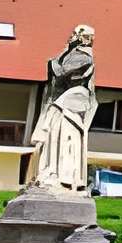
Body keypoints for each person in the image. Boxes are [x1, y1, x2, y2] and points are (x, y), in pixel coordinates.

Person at [27, 24, 97, 192]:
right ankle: (49, 172)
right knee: (53, 136)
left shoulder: (84, 57)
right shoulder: (69, 53)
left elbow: (61, 71)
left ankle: (64, 175)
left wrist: (52, 62)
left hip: (72, 103)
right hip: (61, 103)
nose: (70, 36)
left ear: (83, 37)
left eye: (75, 33)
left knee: (65, 138)